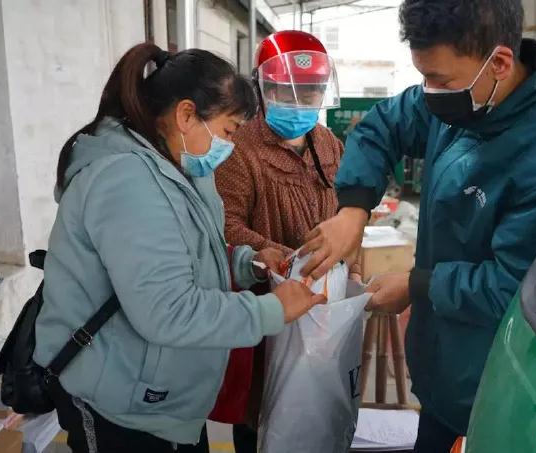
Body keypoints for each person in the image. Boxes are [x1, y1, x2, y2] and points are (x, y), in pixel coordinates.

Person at [297, 0, 536, 451]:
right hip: (447, 366)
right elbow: (382, 126)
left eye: (440, 80)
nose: (429, 92)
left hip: (507, 381)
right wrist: (353, 210)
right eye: (423, 76)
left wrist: (417, 285)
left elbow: (517, 292)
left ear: (499, 62)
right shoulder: (466, 97)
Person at [33, 43, 326, 453]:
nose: (229, 146)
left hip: (163, 396)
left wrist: (247, 263)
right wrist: (272, 309)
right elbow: (166, 309)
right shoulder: (128, 180)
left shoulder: (178, 164)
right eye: (229, 131)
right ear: (186, 115)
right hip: (119, 401)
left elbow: (185, 251)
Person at [214, 30, 356, 451]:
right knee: (265, 409)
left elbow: (347, 210)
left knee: (317, 401)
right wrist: (285, 259)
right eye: (286, 91)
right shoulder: (238, 146)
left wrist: (346, 256)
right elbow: (225, 224)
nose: (300, 101)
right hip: (267, 306)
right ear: (262, 89)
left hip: (322, 303)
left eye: (311, 91)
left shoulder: (328, 143)